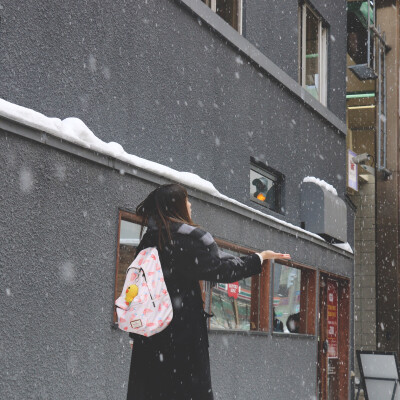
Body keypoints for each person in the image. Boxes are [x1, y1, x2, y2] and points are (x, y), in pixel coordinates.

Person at [126, 183, 291, 400]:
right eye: (186, 200)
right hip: (181, 340)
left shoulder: (149, 239)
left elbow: (136, 289)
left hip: (149, 339)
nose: (190, 204)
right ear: (176, 206)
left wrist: (134, 334)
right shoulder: (187, 239)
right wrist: (259, 258)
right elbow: (223, 270)